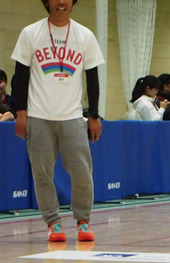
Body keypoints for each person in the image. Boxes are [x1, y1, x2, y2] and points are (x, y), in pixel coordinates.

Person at [11, 0, 104, 243]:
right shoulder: (31, 33)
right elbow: (19, 77)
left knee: (82, 172)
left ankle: (83, 221)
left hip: (73, 117)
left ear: (73, 2)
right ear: (46, 2)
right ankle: (53, 223)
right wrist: (20, 112)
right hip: (38, 116)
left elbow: (92, 79)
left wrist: (93, 115)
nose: (61, 2)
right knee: (42, 173)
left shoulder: (85, 36)